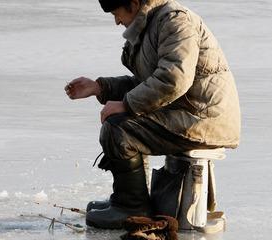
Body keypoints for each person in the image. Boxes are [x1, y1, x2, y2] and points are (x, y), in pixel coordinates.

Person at [64, 0, 240, 229]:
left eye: (117, 13)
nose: (117, 21)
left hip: (203, 119)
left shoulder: (175, 21)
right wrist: (100, 87)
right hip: (186, 113)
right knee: (118, 122)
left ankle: (131, 207)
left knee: (118, 128)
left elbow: (173, 80)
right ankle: (127, 199)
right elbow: (148, 84)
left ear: (134, 3)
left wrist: (126, 105)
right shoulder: (154, 23)